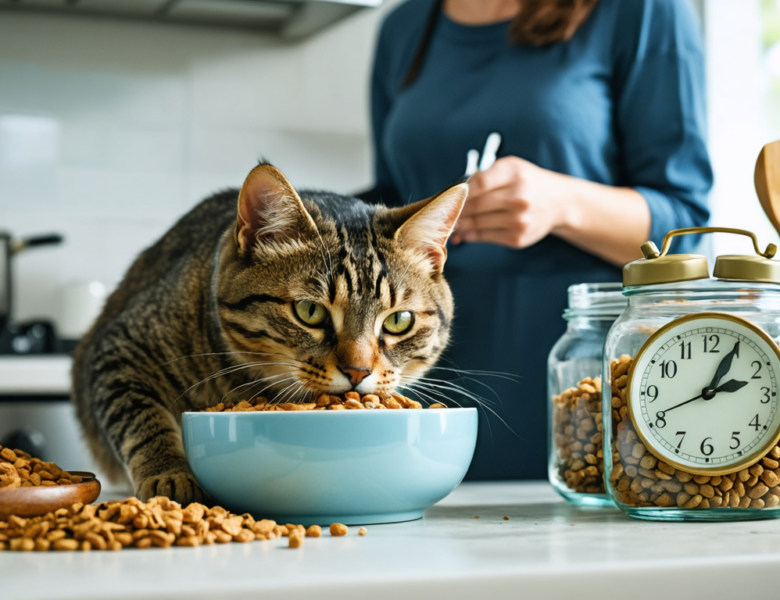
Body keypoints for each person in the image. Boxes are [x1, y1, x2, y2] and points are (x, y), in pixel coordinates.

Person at [361, 0, 712, 479]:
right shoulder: (403, 28)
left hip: (581, 383)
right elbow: (385, 207)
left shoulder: (644, 10)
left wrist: (563, 203)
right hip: (421, 387)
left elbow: (686, 232)